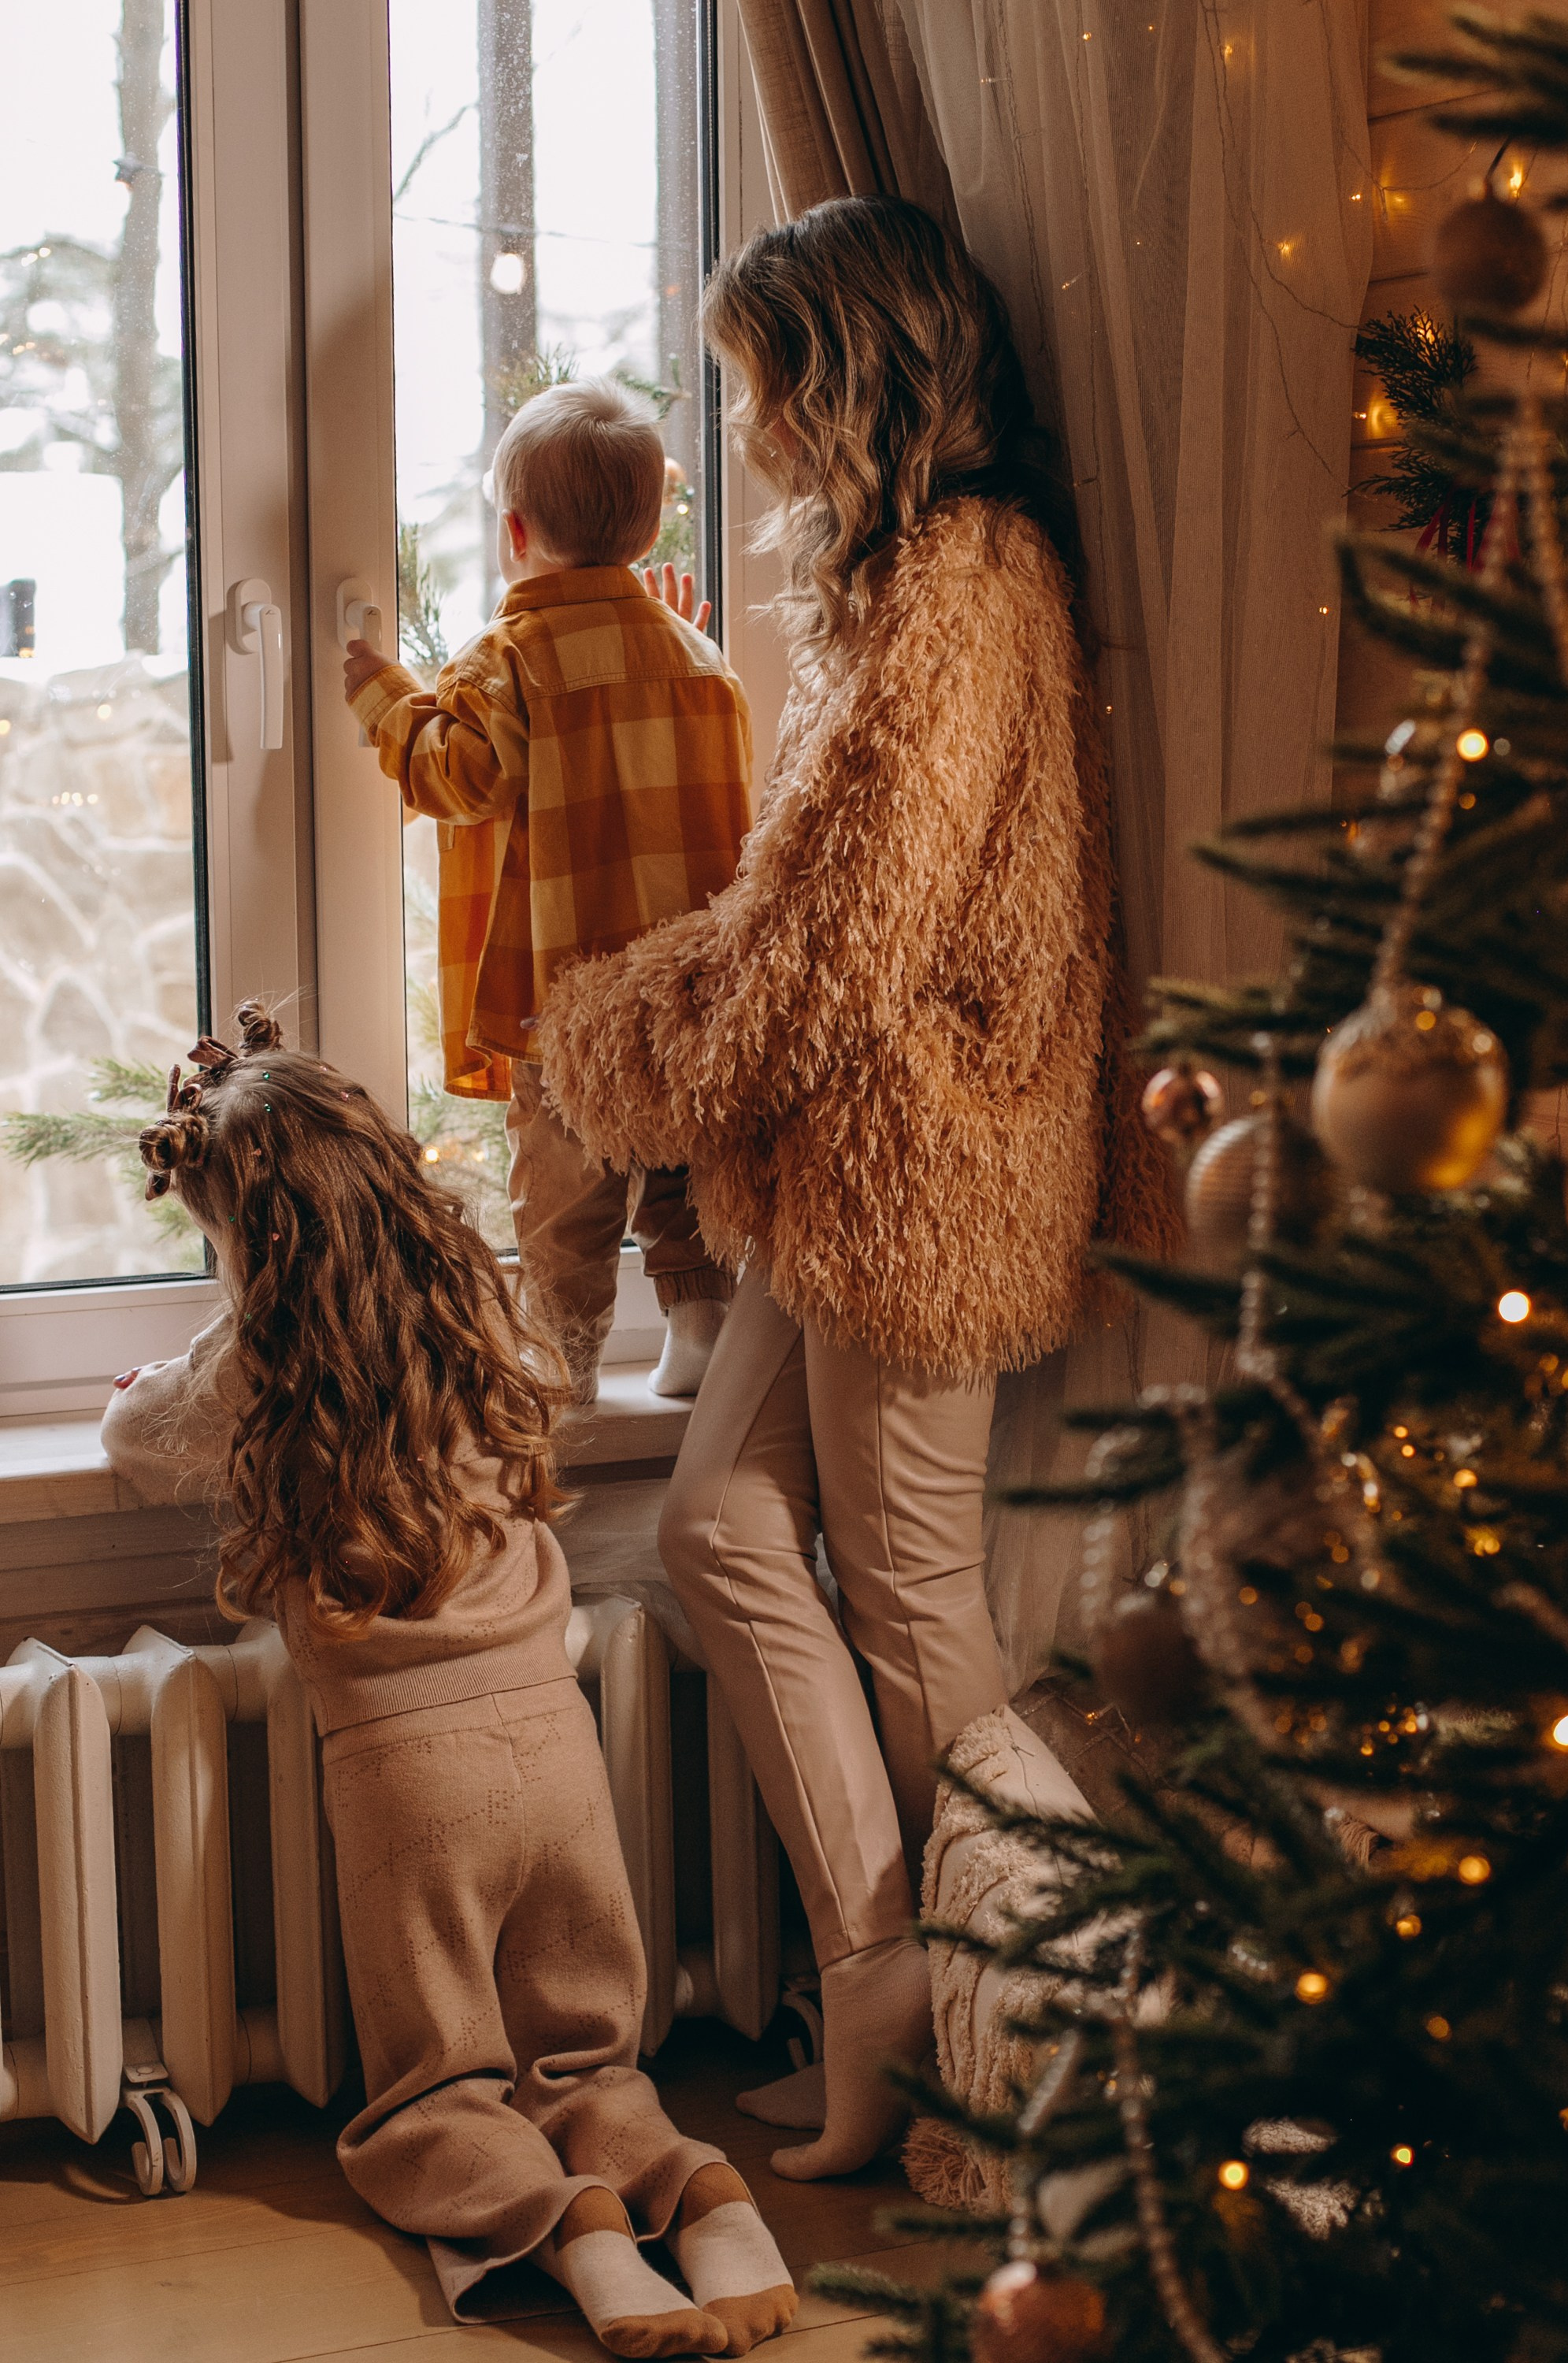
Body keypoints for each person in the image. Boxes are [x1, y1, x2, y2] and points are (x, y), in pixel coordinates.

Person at [537, 198, 1175, 2182]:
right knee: (720, 1528)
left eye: (760, 387)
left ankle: (1017, 2037)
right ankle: (885, 1973)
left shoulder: (967, 585)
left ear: (849, 380)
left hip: (928, 1167)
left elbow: (840, 934)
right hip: (838, 1170)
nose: (744, 431)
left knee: (913, 1605)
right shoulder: (896, 583)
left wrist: (621, 1042)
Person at [99, 1004, 795, 2355]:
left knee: (442, 2088)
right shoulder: (478, 1314)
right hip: (555, 1743)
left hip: (408, 1776)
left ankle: (583, 2244)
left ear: (245, 1236)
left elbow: (134, 1431)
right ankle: (708, 2206)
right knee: (587, 2056)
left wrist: (209, 1319)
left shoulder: (261, 1362)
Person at [343, 377, 753, 1404]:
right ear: (648, 529)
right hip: (683, 996)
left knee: (565, 1196)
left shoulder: (510, 658)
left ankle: (565, 1363)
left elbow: (459, 778)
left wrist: (386, 699)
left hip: (564, 1001)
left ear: (515, 532)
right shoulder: (702, 657)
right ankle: (701, 1326)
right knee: (681, 1168)